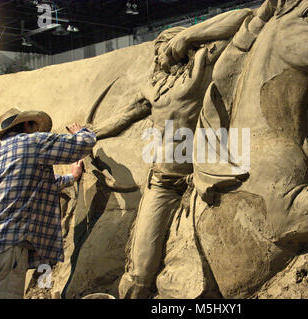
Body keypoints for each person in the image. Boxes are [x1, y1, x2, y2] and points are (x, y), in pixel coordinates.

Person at [89, 9, 253, 298]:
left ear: (181, 48)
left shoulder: (204, 65)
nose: (160, 57)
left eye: (165, 49)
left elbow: (245, 18)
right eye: (157, 51)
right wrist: (87, 134)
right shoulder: (154, 88)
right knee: (140, 272)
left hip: (202, 184)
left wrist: (190, 34)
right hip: (162, 184)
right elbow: (124, 116)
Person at [0, 107, 96, 299]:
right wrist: (80, 131)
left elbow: (33, 186)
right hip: (5, 253)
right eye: (36, 127)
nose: (39, 132)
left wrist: (71, 177)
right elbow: (84, 143)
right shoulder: (33, 142)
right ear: (28, 125)